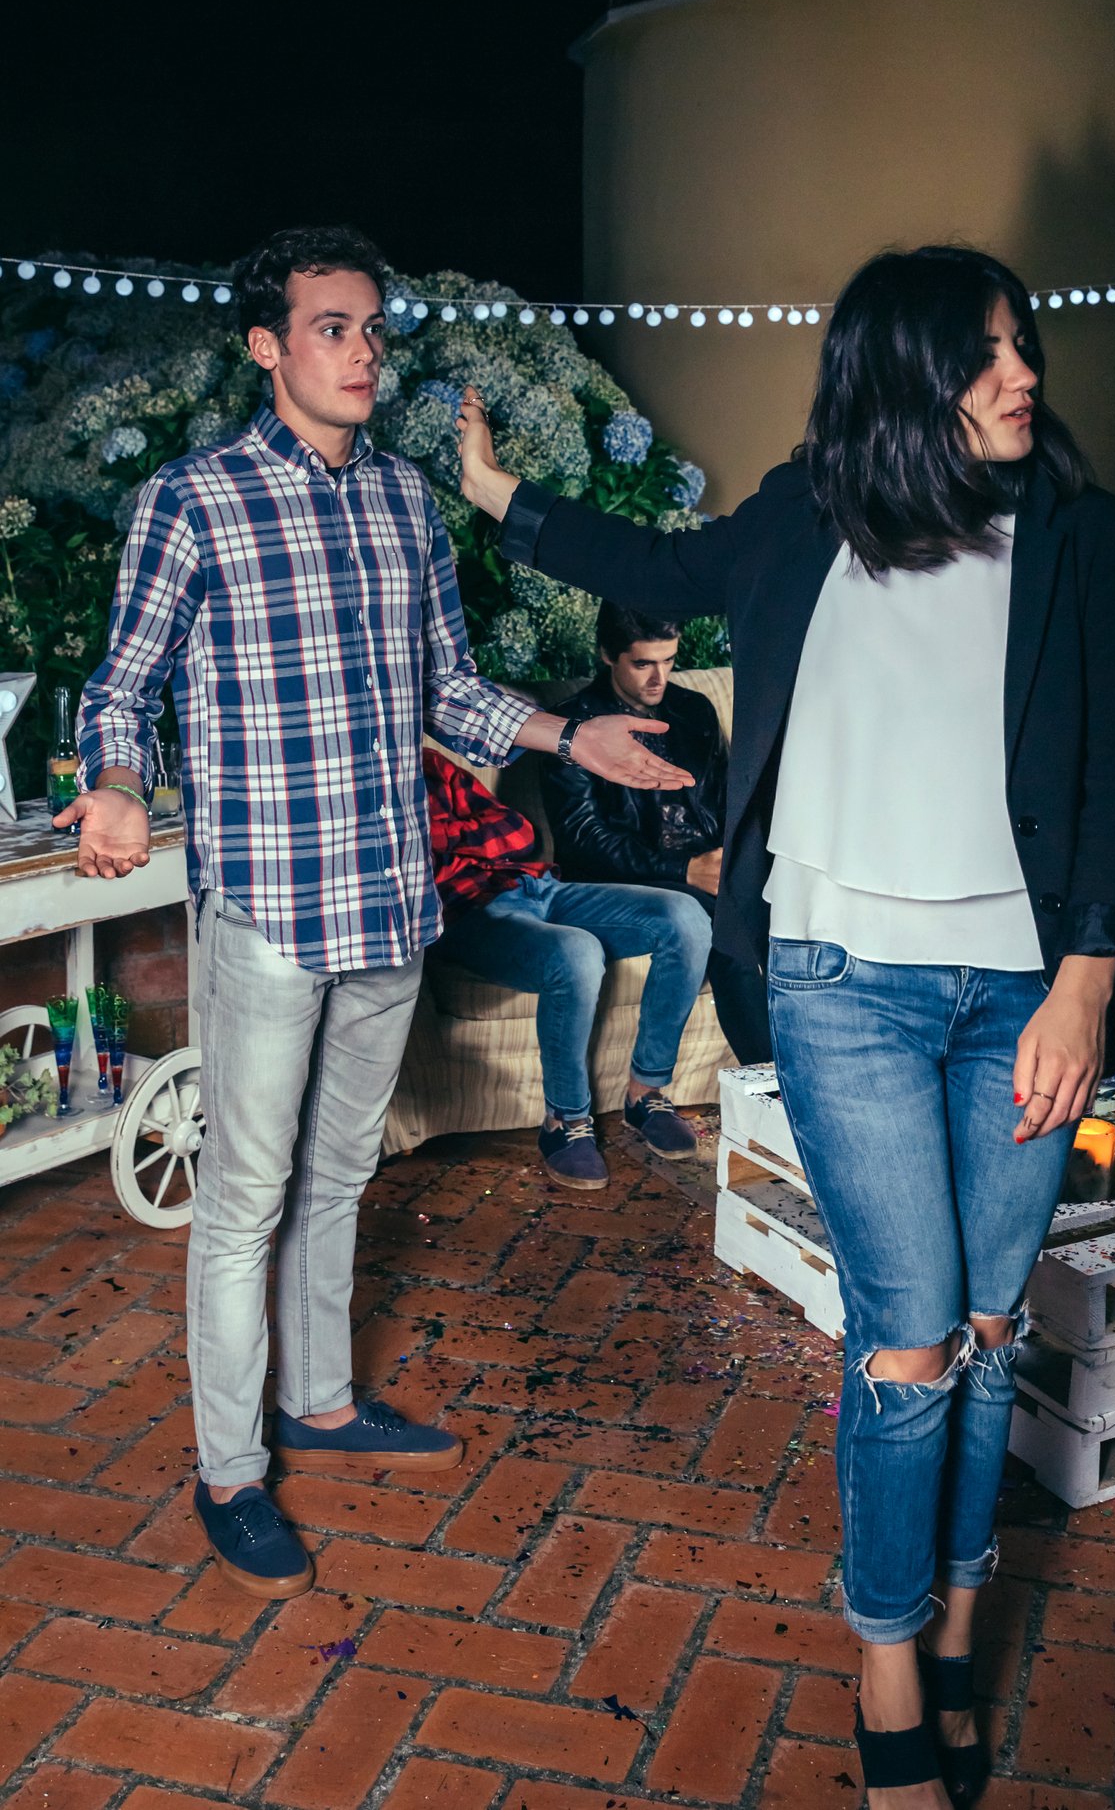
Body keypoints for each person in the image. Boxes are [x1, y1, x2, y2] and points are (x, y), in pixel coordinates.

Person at [455, 246, 1115, 1810]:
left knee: (987, 1333)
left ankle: (965, 1605)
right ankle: (888, 1654)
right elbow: (664, 554)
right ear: (899, 377)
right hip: (846, 986)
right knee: (907, 1339)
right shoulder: (805, 521)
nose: (1018, 374)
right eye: (981, 353)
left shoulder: (1082, 542)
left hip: (1023, 1000)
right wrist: (503, 497)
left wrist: (1087, 972)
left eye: (1018, 346)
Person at [59, 225, 692, 1602]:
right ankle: (230, 1468)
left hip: (389, 900)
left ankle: (324, 1400)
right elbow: (124, 689)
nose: (361, 350)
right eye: (332, 327)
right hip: (272, 911)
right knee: (245, 1195)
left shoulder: (405, 500)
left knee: (342, 1174)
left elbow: (448, 694)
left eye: (371, 329)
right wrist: (114, 782)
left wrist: (569, 737)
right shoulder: (194, 498)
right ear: (267, 347)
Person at [425, 739, 709, 1187]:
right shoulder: (360, 794)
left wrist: (444, 841)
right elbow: (408, 861)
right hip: (470, 914)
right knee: (576, 952)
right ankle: (565, 1122)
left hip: (538, 886)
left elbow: (516, 832)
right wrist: (470, 841)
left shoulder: (431, 765)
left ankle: (645, 1091)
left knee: (685, 917)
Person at [541, 601, 773, 1065]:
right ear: (608, 654)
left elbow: (729, 802)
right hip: (627, 880)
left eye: (669, 661)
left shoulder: (694, 710)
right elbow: (582, 840)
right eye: (643, 663)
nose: (659, 678)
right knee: (725, 929)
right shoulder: (574, 727)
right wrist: (685, 869)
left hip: (706, 865)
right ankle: (773, 1080)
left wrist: (733, 859)